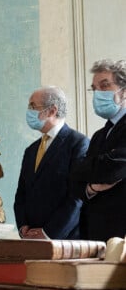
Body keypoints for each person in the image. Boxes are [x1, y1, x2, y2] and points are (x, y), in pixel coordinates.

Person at [14, 87, 89, 240]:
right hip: (31, 239)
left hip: (64, 240)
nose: (29, 111)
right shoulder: (31, 150)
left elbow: (76, 197)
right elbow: (21, 194)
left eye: (33, 106)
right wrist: (23, 227)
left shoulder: (78, 143)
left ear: (52, 110)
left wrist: (48, 234)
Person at [71, 59, 126, 241]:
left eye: (104, 86)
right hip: (95, 233)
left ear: (124, 91)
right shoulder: (98, 136)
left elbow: (113, 168)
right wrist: (93, 186)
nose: (97, 94)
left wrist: (87, 169)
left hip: (121, 232)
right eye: (94, 89)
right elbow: (75, 178)